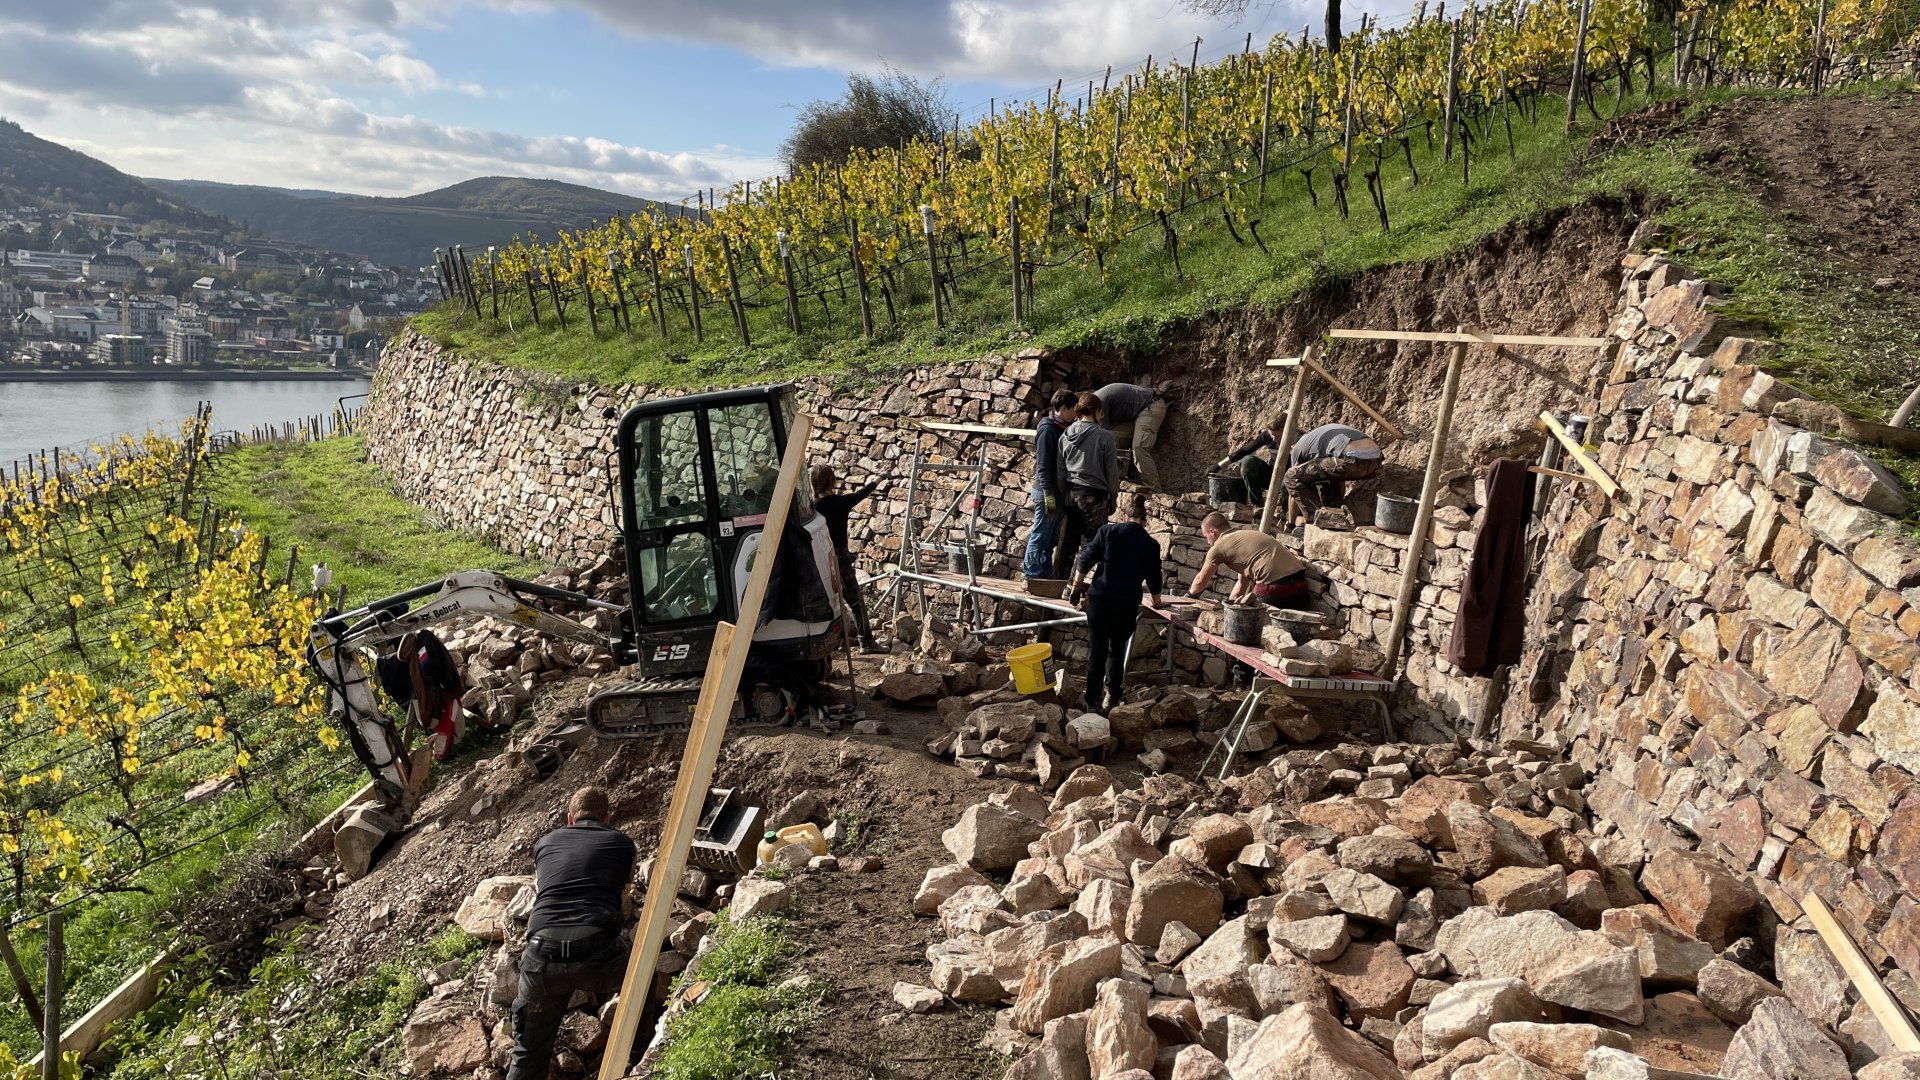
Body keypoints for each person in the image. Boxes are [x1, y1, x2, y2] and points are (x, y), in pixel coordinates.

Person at [509, 786, 637, 1080]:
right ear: (609, 817)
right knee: (643, 979)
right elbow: (622, 899)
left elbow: (545, 891)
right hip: (597, 952)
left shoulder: (544, 844)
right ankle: (639, 1059)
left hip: (541, 956)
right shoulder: (622, 844)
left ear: (570, 818)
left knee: (528, 1052)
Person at [1067, 492, 1163, 714]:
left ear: (1122, 516)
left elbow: (1085, 559)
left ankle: (1092, 701)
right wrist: (1157, 602)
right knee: (1117, 650)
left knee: (1097, 651)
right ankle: (1113, 696)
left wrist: (1075, 588)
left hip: (1099, 599)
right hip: (1126, 603)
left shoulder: (1107, 532)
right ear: (1145, 520)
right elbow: (1154, 578)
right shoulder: (1150, 544)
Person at [810, 463, 886, 652]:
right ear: (831, 481)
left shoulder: (810, 508)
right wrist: (880, 478)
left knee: (826, 601)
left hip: (818, 558)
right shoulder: (840, 503)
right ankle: (866, 642)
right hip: (839, 558)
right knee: (855, 601)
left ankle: (826, 643)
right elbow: (863, 492)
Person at [1189, 512, 1311, 609]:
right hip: (1300, 582)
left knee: (1256, 627)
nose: (1207, 541)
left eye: (1206, 536)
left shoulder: (1219, 547)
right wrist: (1228, 607)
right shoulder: (1246, 536)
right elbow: (1242, 584)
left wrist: (1189, 596)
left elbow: (1200, 581)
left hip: (1273, 586)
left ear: (1212, 532)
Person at [1056, 392, 1119, 579]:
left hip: (1070, 492)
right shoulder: (1104, 437)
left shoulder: (1066, 434)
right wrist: (1113, 496)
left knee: (1069, 540)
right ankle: (1074, 584)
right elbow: (1112, 472)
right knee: (1092, 543)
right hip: (1094, 496)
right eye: (1101, 413)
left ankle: (1060, 580)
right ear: (1097, 411)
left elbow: (1060, 469)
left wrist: (1062, 494)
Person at [1023, 389, 1079, 579]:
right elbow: (1043, 465)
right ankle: (1031, 574)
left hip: (1056, 491)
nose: (1075, 414)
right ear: (1063, 408)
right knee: (1040, 534)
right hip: (1046, 491)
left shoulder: (1061, 428)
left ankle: (1044, 575)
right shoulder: (1047, 429)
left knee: (1050, 539)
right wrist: (1048, 493)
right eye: (1073, 410)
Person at [1283, 422, 1384, 525]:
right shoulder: (1320, 437)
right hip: (1376, 461)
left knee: (1291, 475)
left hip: (1350, 458)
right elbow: (1338, 475)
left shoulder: (1297, 448)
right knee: (1329, 475)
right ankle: (1334, 514)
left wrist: (1290, 523)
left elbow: (1294, 486)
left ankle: (1318, 519)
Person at [1094, 382, 1170, 489]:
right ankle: (1121, 479)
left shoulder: (1099, 403)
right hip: (1136, 413)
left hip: (1151, 405)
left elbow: (1101, 438)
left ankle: (1154, 491)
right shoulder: (1094, 402)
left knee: (1139, 448)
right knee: (1114, 439)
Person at [1217, 410, 1291, 505]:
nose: (1273, 439)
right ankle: (1257, 503)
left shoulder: (1299, 438)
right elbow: (1244, 451)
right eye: (1272, 435)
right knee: (1248, 461)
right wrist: (1219, 465)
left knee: (1290, 477)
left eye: (1277, 436)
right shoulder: (1267, 436)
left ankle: (1286, 512)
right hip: (1272, 476)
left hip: (1289, 480)